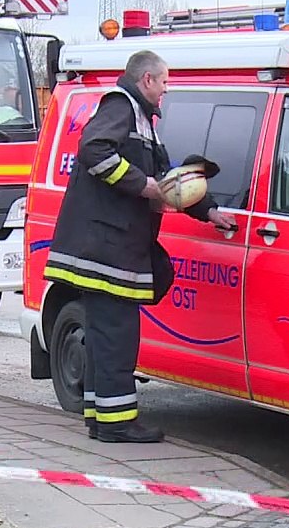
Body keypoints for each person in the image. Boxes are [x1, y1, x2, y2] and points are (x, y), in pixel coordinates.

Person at [43, 50, 235, 443]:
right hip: (107, 249)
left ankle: (101, 418)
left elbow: (170, 182)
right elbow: (95, 151)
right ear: (146, 79)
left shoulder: (142, 120)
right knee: (117, 335)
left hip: (107, 248)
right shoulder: (121, 106)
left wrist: (209, 210)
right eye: (164, 81)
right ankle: (118, 424)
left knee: (103, 337)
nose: (167, 89)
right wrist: (142, 185)